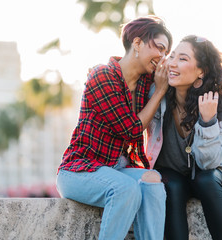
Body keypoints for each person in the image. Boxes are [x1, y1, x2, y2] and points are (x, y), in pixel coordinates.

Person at [56, 16, 172, 240]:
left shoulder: (145, 84)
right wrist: (159, 92)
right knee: (125, 189)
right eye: (159, 47)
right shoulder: (102, 76)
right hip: (79, 170)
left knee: (153, 182)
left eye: (166, 52)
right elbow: (131, 130)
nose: (162, 57)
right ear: (137, 43)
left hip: (115, 169)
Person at [145, 35, 222, 240]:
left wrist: (208, 122)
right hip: (170, 175)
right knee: (172, 184)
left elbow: (208, 163)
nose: (172, 63)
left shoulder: (220, 107)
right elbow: (132, 72)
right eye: (172, 56)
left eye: (182, 59)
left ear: (201, 71)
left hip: (206, 175)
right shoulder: (156, 93)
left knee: (206, 179)